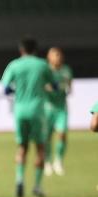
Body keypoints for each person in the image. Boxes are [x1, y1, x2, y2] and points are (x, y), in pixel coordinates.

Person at [1, 38, 58, 197]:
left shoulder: (14, 65)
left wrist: (19, 91)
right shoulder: (42, 65)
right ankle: (37, 186)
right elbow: (54, 86)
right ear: (35, 50)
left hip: (20, 110)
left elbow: (5, 89)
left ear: (21, 50)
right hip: (37, 111)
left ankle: (19, 180)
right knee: (40, 148)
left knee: (22, 147)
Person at [43, 47, 73, 176]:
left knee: (62, 134)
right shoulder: (45, 70)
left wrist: (61, 87)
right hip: (48, 108)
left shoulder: (66, 70)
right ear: (49, 57)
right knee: (47, 137)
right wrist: (55, 87)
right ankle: (47, 162)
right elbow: (44, 86)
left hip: (61, 108)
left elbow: (69, 86)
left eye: (59, 55)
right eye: (55, 55)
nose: (58, 57)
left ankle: (58, 161)